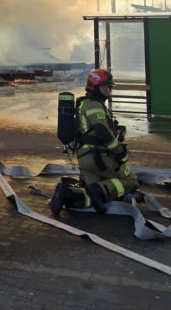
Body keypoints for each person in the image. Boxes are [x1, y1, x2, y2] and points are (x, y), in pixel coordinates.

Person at [50, 69, 139, 216]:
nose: (109, 90)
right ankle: (97, 190)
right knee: (131, 180)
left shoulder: (84, 104)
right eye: (105, 87)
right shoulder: (94, 105)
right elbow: (102, 132)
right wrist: (119, 151)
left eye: (110, 87)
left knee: (95, 195)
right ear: (94, 86)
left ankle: (67, 195)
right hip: (98, 157)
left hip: (85, 158)